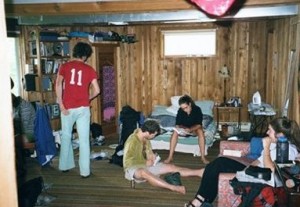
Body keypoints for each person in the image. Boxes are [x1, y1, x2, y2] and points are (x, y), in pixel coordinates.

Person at [185, 117, 300, 207]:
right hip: (253, 170)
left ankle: (198, 201)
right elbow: (258, 161)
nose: (267, 132)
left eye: (270, 130)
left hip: (261, 178)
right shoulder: (278, 144)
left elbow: (270, 171)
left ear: (280, 134)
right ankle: (203, 201)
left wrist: (266, 148)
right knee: (215, 165)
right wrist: (247, 167)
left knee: (218, 165)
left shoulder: (288, 150)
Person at [55, 42, 100, 178]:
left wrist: (61, 104)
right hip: (83, 108)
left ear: (74, 53)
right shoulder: (90, 69)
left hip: (67, 108)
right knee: (84, 139)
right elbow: (97, 90)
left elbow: (57, 84)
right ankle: (85, 172)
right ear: (85, 56)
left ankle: (64, 166)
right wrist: (88, 98)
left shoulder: (64, 67)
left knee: (66, 136)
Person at [123, 119, 203, 194]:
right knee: (144, 172)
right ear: (148, 132)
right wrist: (145, 162)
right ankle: (173, 188)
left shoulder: (145, 139)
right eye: (153, 135)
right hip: (133, 167)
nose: (153, 137)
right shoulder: (132, 141)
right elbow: (127, 162)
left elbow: (148, 152)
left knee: (171, 167)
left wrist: (151, 156)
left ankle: (199, 172)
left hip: (146, 165)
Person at [164, 95, 209, 164]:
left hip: (194, 128)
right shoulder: (180, 111)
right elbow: (178, 124)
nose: (184, 110)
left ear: (190, 104)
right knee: (175, 132)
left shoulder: (197, 109)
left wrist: (190, 129)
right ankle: (170, 157)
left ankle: (203, 157)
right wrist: (182, 129)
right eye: (182, 108)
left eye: (186, 107)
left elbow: (199, 124)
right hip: (184, 129)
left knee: (200, 131)